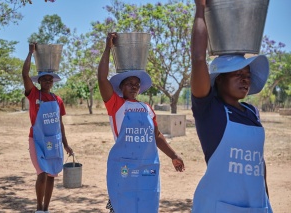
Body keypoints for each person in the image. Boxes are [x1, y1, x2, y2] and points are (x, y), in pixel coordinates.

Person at [190, 0, 273, 212]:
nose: (245, 80)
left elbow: (258, 162)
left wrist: (266, 201)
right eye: (238, 74)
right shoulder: (209, 111)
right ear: (218, 79)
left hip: (256, 206)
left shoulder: (252, 113)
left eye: (247, 75)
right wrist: (200, 8)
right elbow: (199, 59)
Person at [98, 32, 185, 213]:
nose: (134, 86)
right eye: (129, 83)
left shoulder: (147, 109)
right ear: (121, 87)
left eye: (137, 84)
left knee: (145, 206)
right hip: (124, 168)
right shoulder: (115, 104)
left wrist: (174, 156)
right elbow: (101, 78)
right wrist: (108, 48)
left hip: (147, 169)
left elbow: (156, 136)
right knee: (122, 206)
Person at [22, 43, 74, 213]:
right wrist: (30, 53)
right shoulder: (34, 94)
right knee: (42, 173)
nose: (48, 81)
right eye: (45, 79)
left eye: (50, 79)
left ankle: (46, 209)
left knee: (52, 175)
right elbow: (24, 74)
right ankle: (38, 209)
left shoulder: (57, 99)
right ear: (40, 81)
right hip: (37, 140)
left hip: (54, 141)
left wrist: (66, 144)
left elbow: (60, 124)